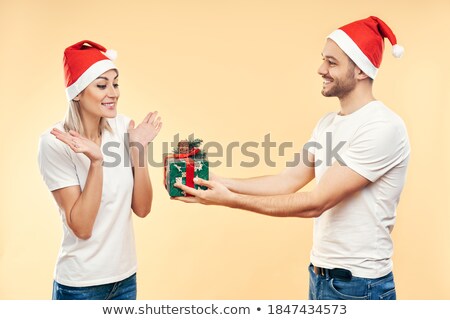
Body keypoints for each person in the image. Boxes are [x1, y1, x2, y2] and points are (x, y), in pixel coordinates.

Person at [174, 16, 410, 300]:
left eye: (332, 63)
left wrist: (230, 200)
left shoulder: (382, 127)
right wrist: (215, 181)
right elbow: (287, 181)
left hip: (360, 286)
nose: (321, 69)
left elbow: (316, 202)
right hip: (321, 277)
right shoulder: (327, 123)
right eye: (324, 59)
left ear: (360, 70)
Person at [38, 40, 162, 300]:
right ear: (78, 92)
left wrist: (138, 148)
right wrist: (97, 163)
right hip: (81, 286)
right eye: (102, 85)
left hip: (126, 279)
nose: (113, 93)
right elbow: (82, 227)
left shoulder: (123, 127)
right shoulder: (55, 142)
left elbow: (142, 208)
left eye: (115, 84)